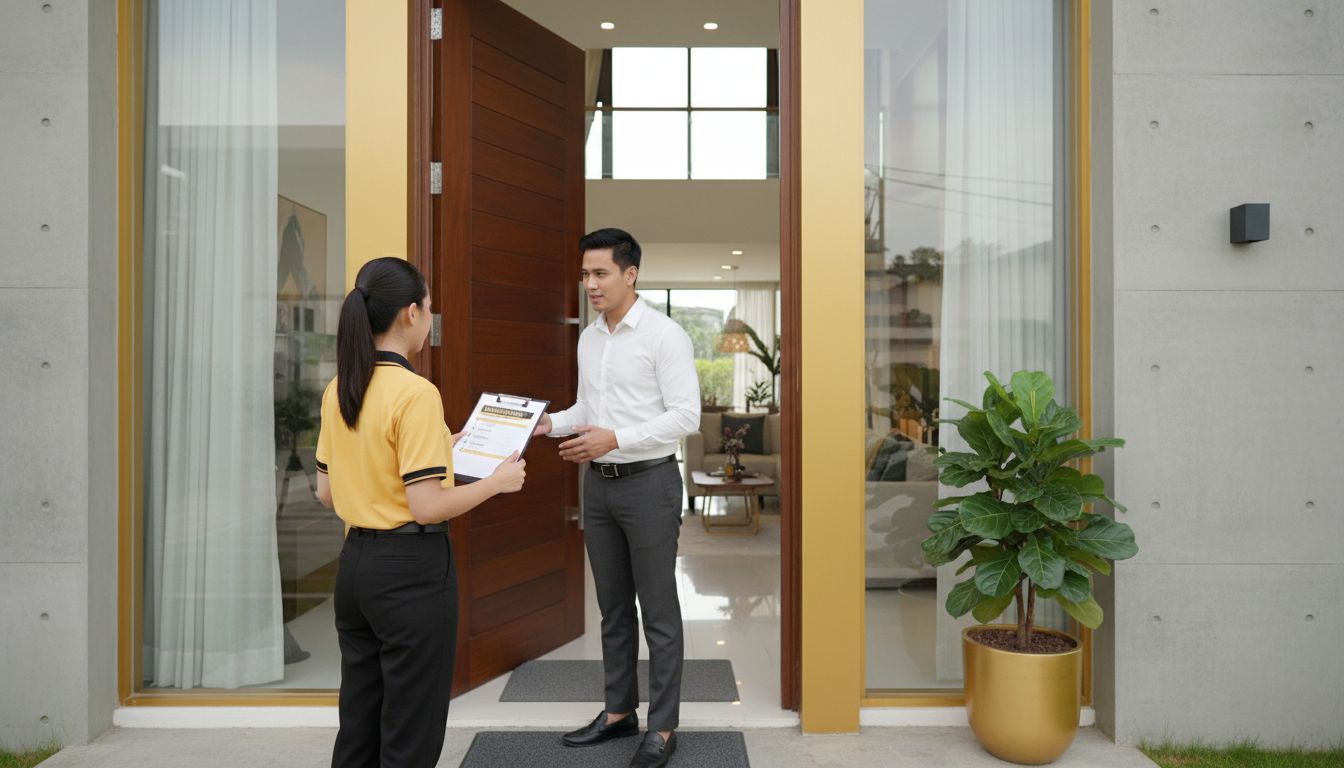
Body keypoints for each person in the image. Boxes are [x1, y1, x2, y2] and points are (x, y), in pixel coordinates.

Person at [314, 257, 527, 768]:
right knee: (410, 731)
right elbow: (427, 506)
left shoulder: (340, 387)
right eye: (430, 308)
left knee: (360, 724)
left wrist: (439, 447)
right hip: (410, 575)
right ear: (411, 314)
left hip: (355, 570)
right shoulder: (415, 393)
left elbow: (326, 492)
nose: (431, 318)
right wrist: (497, 483)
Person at [535, 229, 701, 768]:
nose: (590, 284)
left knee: (658, 610)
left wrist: (616, 438)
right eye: (585, 274)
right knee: (611, 608)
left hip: (650, 484)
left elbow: (685, 417)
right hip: (598, 487)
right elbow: (588, 407)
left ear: (631, 274)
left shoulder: (664, 335)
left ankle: (664, 726)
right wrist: (546, 424)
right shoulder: (590, 338)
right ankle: (617, 712)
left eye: (600, 273)